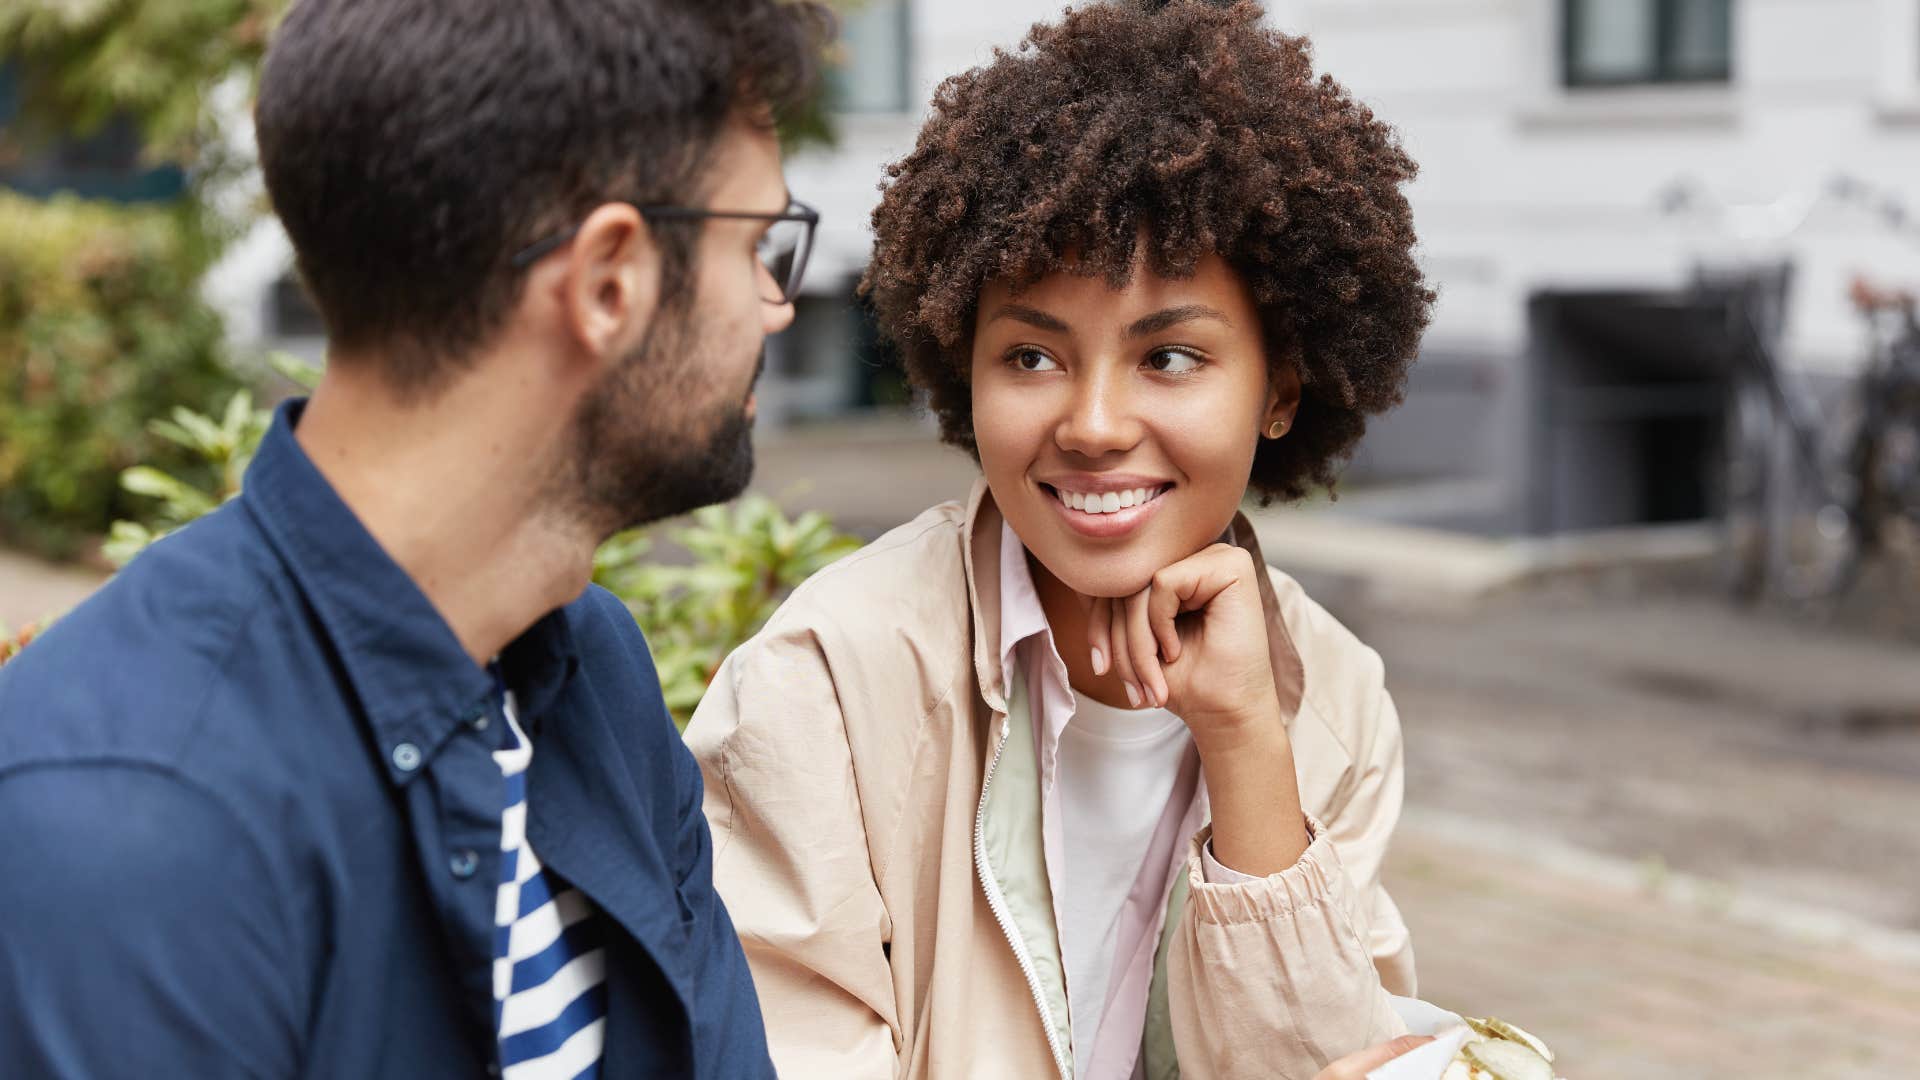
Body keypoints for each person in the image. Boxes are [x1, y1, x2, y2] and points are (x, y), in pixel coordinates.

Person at [0, 0, 828, 1075]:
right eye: (755, 243)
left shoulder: (593, 670)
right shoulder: (127, 817)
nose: (775, 304)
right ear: (609, 280)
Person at [683, 1, 1434, 1078]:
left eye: (1169, 357)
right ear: (962, 366)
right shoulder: (834, 681)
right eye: (1031, 358)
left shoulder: (1339, 701)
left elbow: (1331, 1064)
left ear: (1282, 391)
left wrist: (1246, 746)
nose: (1090, 426)